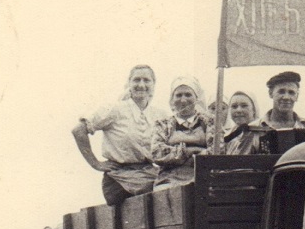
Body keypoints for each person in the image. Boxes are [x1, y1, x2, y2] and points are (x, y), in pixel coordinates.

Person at [72, 64, 166, 205]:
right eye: (136, 80)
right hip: (118, 178)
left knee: (178, 188)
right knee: (157, 191)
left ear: (154, 84)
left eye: (146, 80)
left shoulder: (159, 115)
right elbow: (79, 130)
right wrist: (96, 164)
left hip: (149, 172)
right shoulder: (115, 109)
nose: (141, 85)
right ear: (129, 83)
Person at [152, 76, 212, 189]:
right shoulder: (163, 124)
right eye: (178, 95)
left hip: (204, 176)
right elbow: (157, 153)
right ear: (172, 99)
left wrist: (177, 155)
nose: (183, 100)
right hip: (169, 178)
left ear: (196, 98)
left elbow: (216, 151)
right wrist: (196, 152)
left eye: (188, 95)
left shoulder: (209, 122)